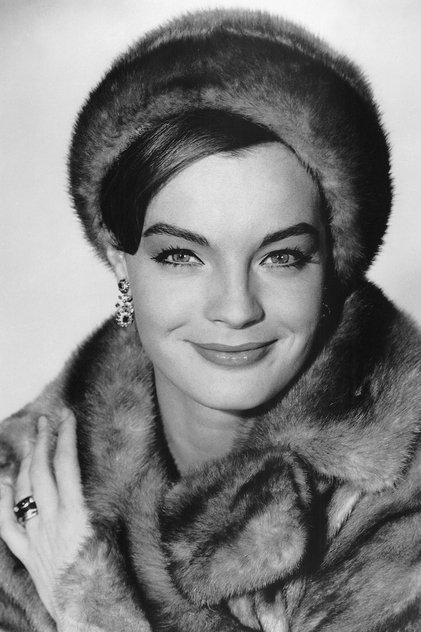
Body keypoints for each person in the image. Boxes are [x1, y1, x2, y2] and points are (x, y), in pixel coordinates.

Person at [1, 8, 420, 632]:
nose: (236, 307)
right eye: (181, 256)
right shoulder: (26, 484)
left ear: (332, 267)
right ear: (119, 259)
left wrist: (86, 598)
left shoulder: (405, 498)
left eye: (281, 257)